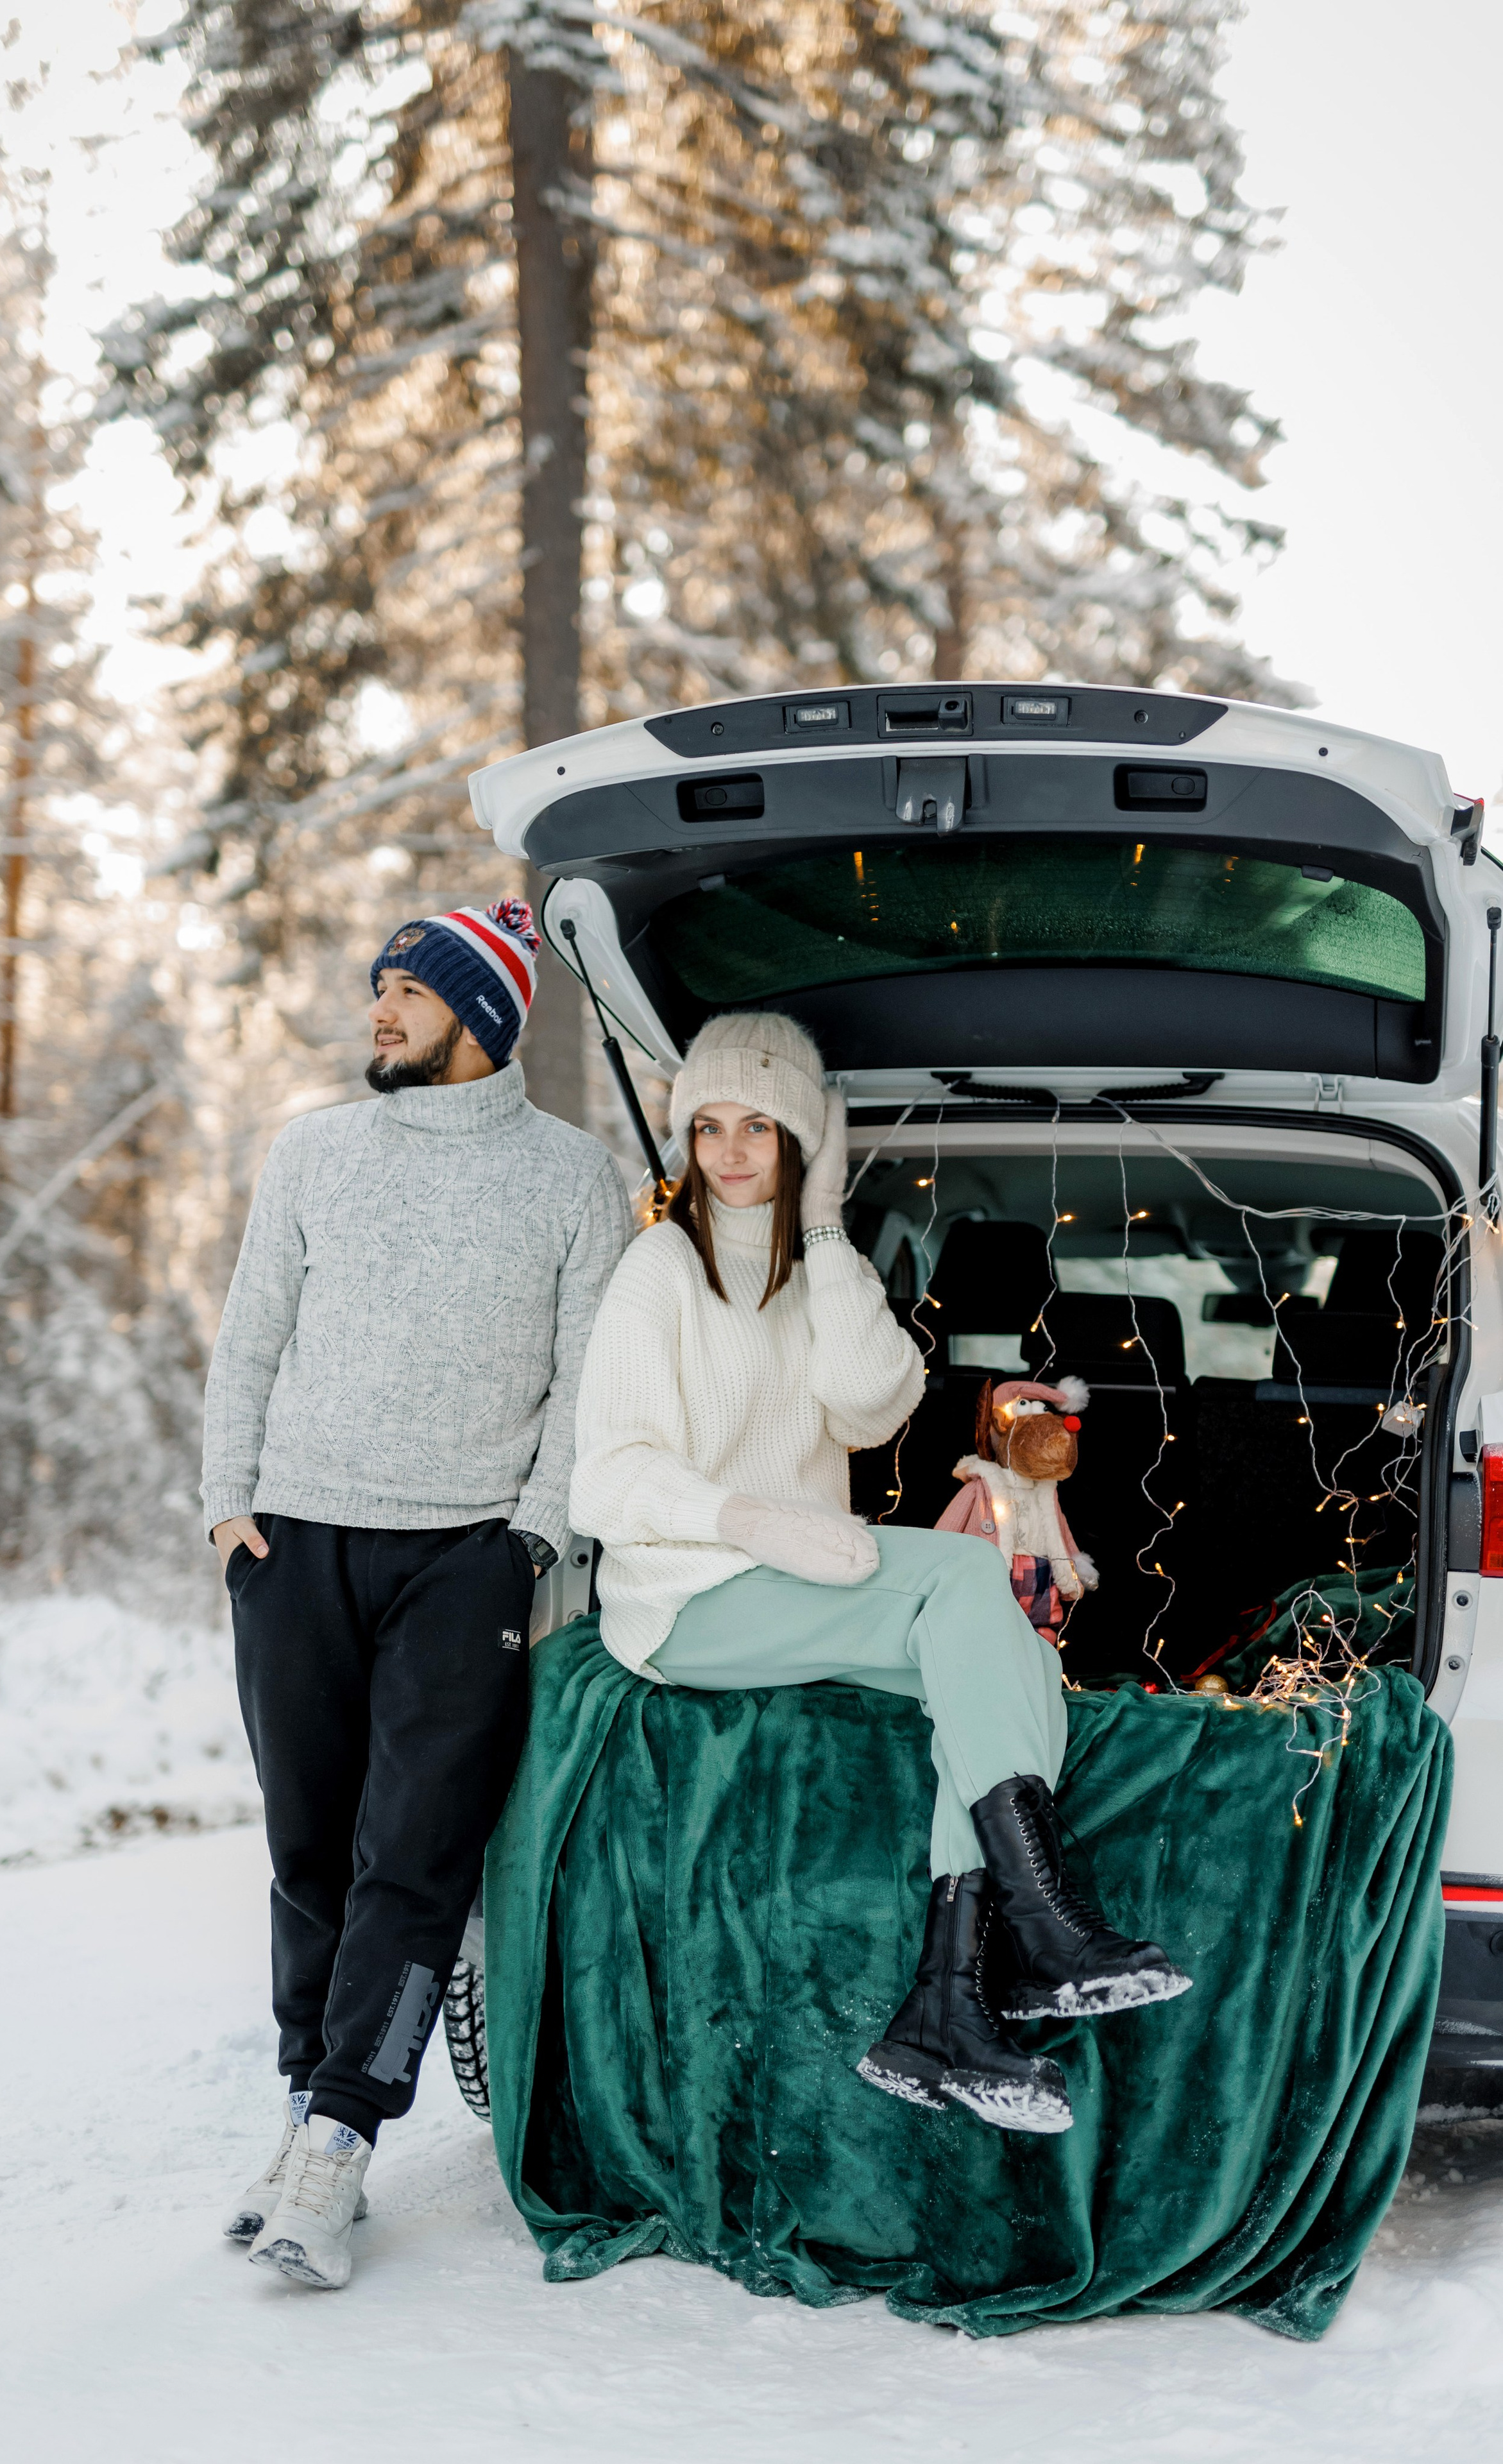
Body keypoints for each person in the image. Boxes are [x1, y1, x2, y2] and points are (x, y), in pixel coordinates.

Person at [569, 1011, 1189, 2135]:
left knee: (1011, 1668)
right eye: (708, 1127)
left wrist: (825, 1238)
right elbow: (605, 1482)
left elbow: (875, 1400)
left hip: (795, 1585)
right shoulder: (658, 1268)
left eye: (761, 1124)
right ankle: (1045, 1931)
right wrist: (749, 1518)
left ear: (803, 1139)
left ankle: (945, 2009)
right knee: (963, 1583)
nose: (732, 1150)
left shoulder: (815, 1269)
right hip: (685, 1600)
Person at [204, 898, 629, 2287]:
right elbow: (250, 1334)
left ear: (483, 1017)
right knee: (307, 1854)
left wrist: (528, 1539)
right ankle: (296, 2106)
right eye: (377, 986)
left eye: (406, 990)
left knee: (413, 1859)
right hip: (294, 1550)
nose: (378, 1009)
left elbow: (583, 1382)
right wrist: (228, 1505)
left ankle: (338, 2144)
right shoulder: (314, 1152)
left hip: (464, 1561)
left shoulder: (572, 1179)